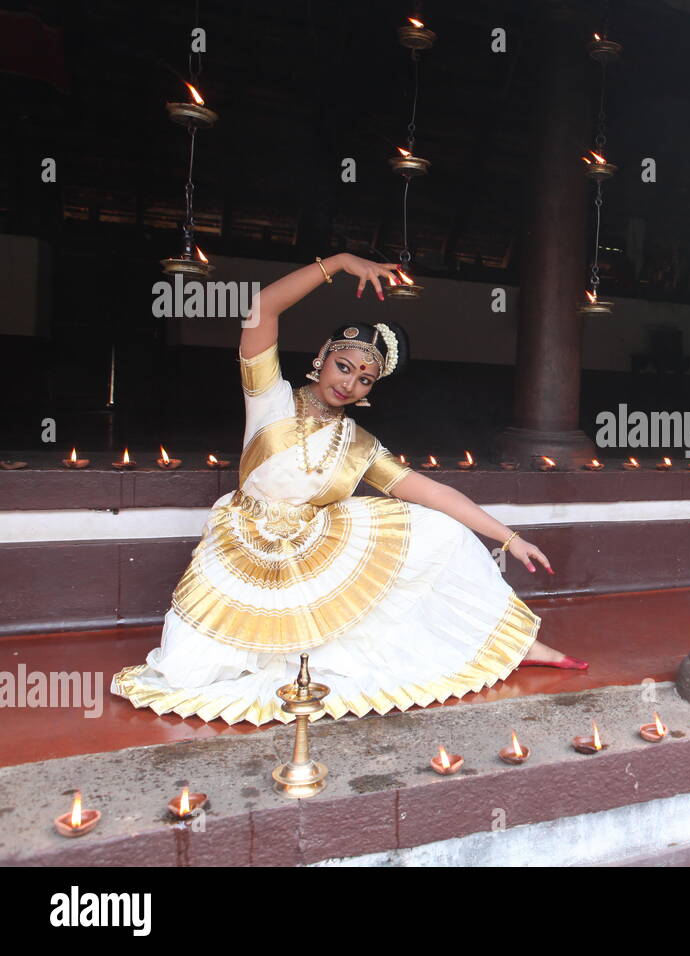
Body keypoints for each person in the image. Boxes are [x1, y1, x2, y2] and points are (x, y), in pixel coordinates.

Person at [111, 253, 587, 726]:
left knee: (440, 531)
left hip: (313, 545)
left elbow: (434, 493)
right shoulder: (268, 397)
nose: (350, 383)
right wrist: (337, 263)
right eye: (344, 366)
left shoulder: (359, 445)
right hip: (244, 542)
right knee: (185, 673)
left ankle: (517, 645)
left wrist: (510, 538)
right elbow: (261, 309)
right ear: (322, 358)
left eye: (365, 379)